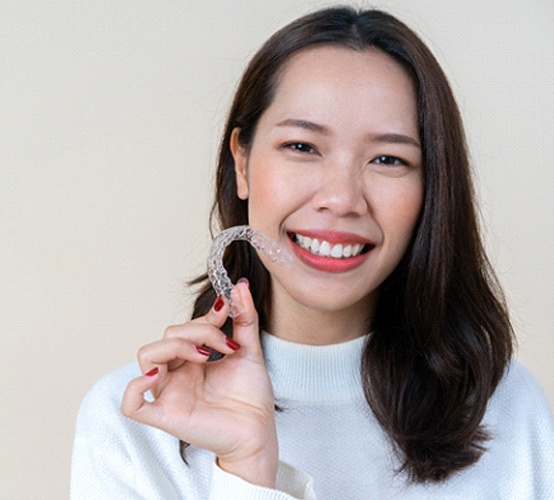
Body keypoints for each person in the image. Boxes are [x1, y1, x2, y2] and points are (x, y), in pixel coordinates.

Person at [70, 6, 554, 499]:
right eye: (302, 147)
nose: (342, 198)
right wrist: (247, 470)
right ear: (241, 162)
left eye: (389, 159)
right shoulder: (136, 419)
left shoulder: (509, 413)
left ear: (432, 188)